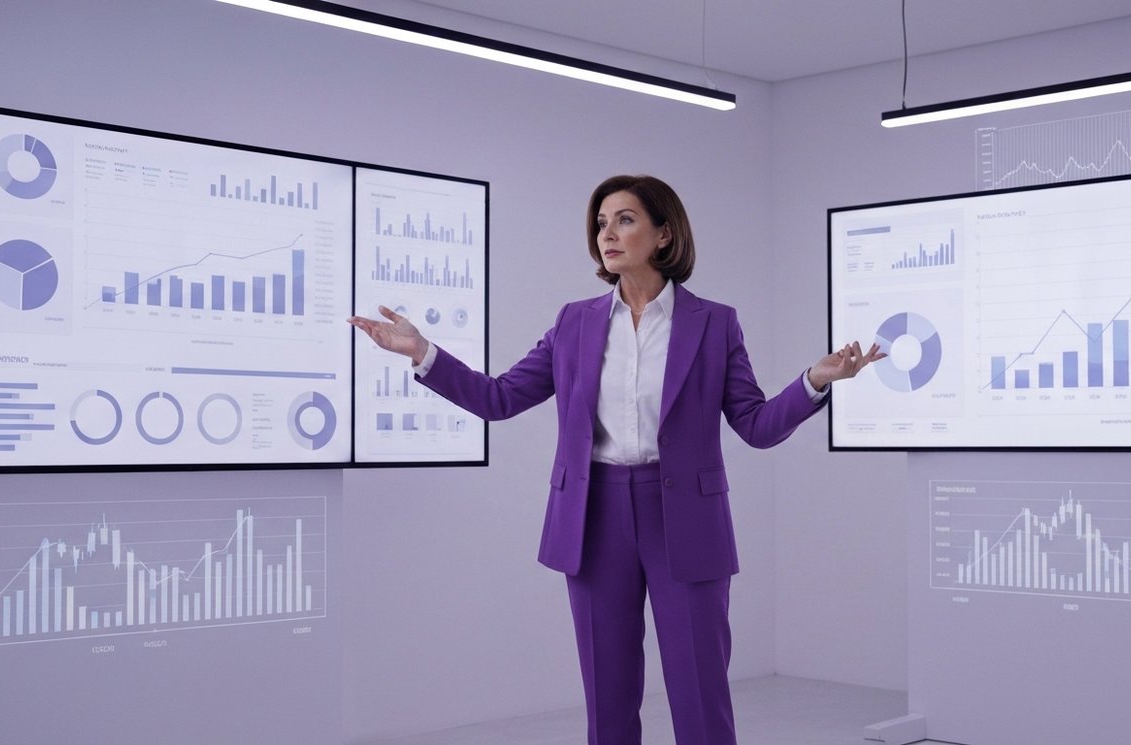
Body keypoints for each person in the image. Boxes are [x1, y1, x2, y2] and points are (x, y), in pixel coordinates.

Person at [349, 174, 883, 745]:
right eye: (601, 222)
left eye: (625, 219)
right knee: (608, 698)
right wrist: (422, 352)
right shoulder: (573, 322)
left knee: (700, 691)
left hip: (685, 519)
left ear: (663, 234)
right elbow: (499, 398)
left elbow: (755, 424)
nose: (608, 233)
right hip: (594, 516)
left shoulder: (713, 322)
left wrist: (814, 382)